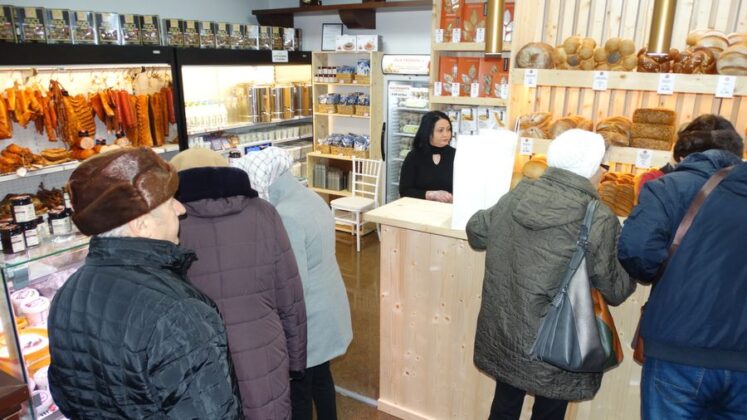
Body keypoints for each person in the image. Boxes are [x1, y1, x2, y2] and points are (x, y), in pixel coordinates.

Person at [47, 148, 242, 419]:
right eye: (170, 202)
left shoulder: (68, 295)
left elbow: (67, 396)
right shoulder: (178, 313)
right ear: (141, 225)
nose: (181, 209)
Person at [466, 129, 635, 420]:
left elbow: (476, 231)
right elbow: (616, 290)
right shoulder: (598, 217)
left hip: (507, 331)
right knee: (550, 411)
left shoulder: (518, 194)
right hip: (557, 342)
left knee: (504, 405)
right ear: (591, 168)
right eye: (602, 166)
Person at [618, 114, 747, 419]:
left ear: (684, 154)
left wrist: (666, 272)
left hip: (678, 347)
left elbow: (637, 250)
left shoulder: (668, 188)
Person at [171, 148, 307, 420]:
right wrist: (296, 360)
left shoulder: (170, 226)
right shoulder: (263, 212)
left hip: (200, 360)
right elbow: (290, 294)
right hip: (263, 350)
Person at [232, 147, 353, 420]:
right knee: (321, 378)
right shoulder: (310, 197)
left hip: (309, 318)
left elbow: (294, 282)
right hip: (329, 305)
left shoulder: (286, 215)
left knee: (299, 389)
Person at [399, 110, 455, 202]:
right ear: (428, 132)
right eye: (440, 130)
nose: (446, 134)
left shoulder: (456, 155)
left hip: (448, 208)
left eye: (448, 129)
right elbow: (404, 191)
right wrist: (431, 195)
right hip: (419, 208)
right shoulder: (414, 156)